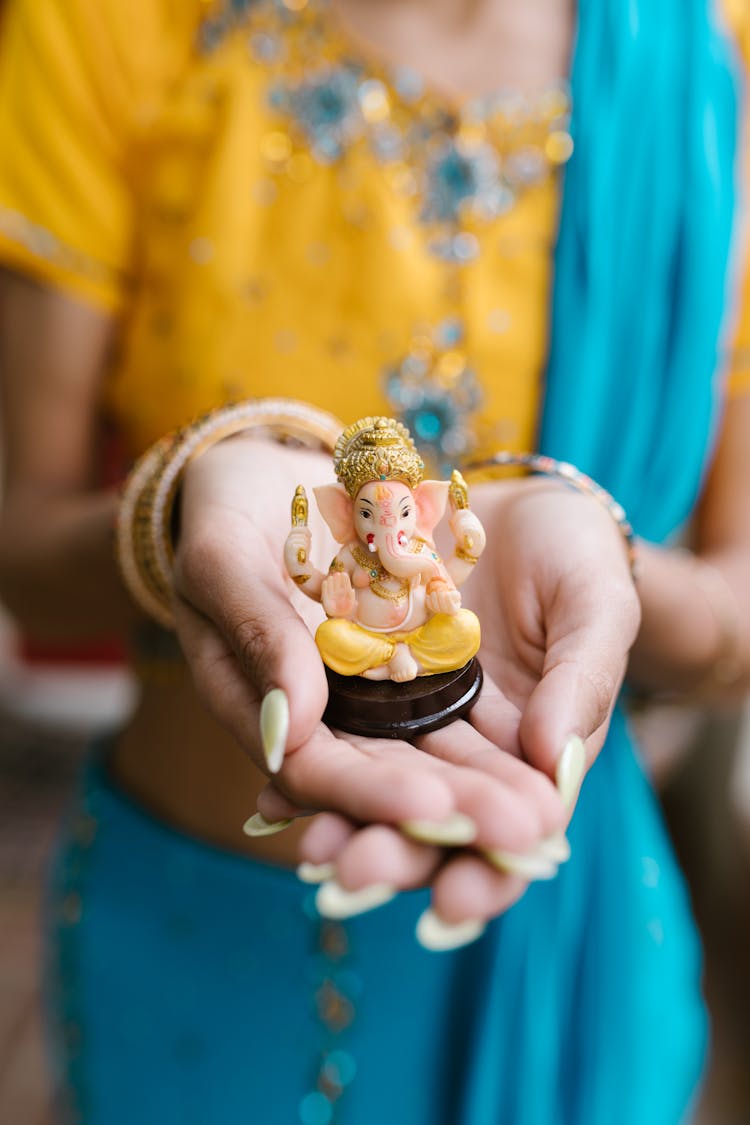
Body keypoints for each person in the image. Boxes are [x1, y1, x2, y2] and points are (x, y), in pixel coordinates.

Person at [0, 0, 748, 1121]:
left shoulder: (709, 56)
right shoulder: (109, 23)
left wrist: (610, 571)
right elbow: (24, 548)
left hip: (562, 925)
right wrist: (176, 512)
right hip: (196, 939)